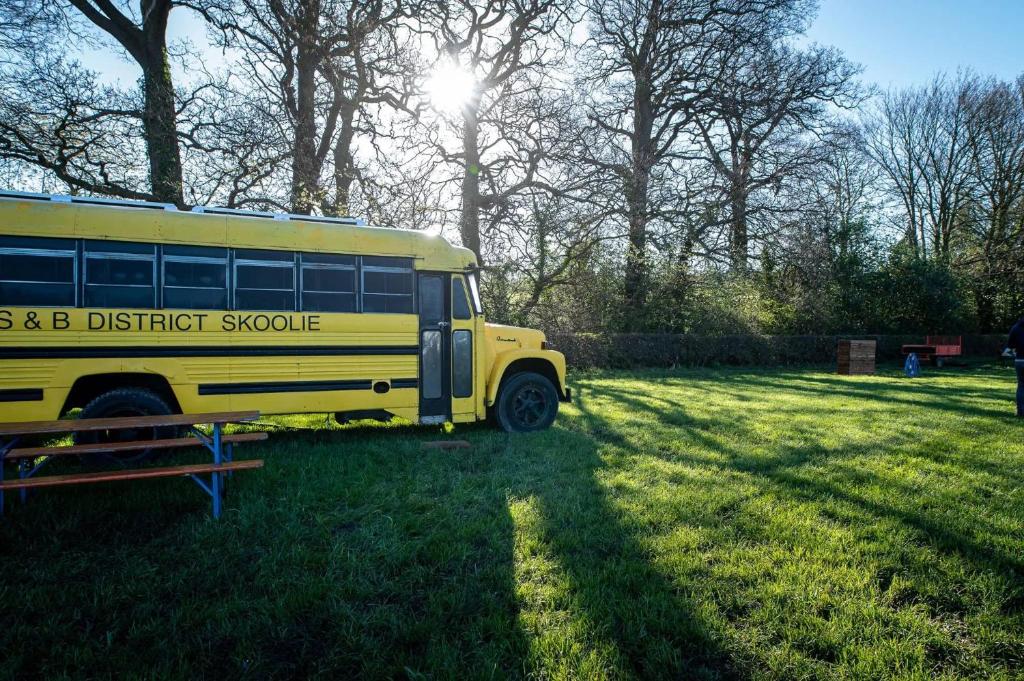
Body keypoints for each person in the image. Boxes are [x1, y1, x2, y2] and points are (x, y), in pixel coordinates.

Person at [1006, 315, 1024, 417]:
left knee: (1021, 386)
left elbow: (1010, 347)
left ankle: (1021, 412)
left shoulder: (1016, 327)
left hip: (1019, 360)